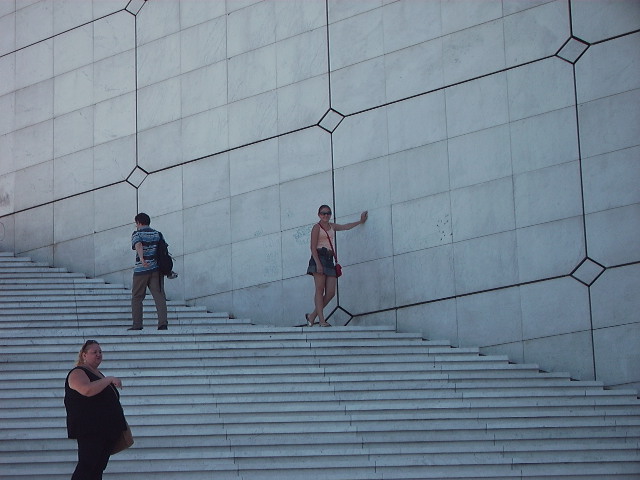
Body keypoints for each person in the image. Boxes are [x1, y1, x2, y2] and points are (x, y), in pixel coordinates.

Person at [64, 340, 127, 480]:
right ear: (84, 355)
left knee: (97, 469)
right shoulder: (78, 372)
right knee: (87, 466)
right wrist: (109, 379)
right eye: (94, 352)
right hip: (90, 430)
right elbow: (86, 390)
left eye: (100, 352)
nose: (98, 354)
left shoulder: (99, 374)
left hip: (106, 430)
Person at [305, 205, 368, 327]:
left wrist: (360, 221)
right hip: (319, 257)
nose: (326, 215)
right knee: (319, 289)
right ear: (319, 215)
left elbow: (345, 227)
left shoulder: (332, 226)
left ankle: (312, 316)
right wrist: (318, 263)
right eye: (323, 213)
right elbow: (312, 247)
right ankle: (321, 320)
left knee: (331, 292)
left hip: (329, 259)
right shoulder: (316, 227)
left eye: (328, 213)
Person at [129, 212, 169, 330]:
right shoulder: (157, 234)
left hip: (141, 270)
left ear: (138, 222)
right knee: (159, 296)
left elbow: (138, 245)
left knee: (137, 297)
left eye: (136, 223)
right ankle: (163, 323)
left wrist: (142, 259)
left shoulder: (137, 234)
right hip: (156, 270)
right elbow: (164, 249)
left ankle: (137, 324)